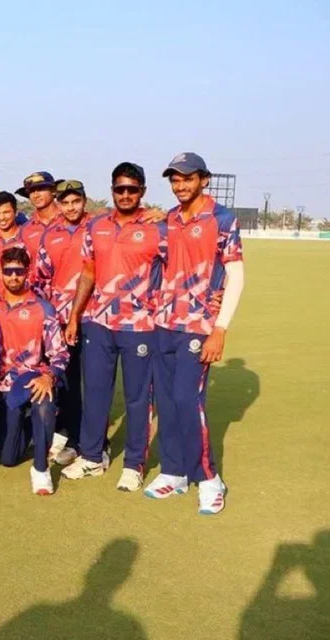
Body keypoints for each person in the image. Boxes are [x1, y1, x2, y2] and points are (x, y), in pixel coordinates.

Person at [148, 152, 244, 515]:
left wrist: (220, 329)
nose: (179, 185)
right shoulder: (169, 219)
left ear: (204, 179)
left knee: (189, 401)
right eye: (174, 179)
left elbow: (235, 274)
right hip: (164, 323)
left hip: (199, 326)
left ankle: (208, 478)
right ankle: (173, 472)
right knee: (168, 403)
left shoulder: (222, 218)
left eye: (187, 178)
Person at [62, 162, 167, 492]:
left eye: (132, 189)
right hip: (98, 323)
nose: (125, 194)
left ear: (142, 192)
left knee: (138, 399)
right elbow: (89, 272)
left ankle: (134, 464)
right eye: (120, 189)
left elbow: (179, 267)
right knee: (95, 394)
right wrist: (74, 315)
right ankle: (92, 457)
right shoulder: (96, 226)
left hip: (140, 325)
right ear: (112, 191)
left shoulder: (158, 228)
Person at [0, 247, 69, 496]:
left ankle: (40, 469)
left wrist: (48, 376)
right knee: (8, 458)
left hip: (32, 378)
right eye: (8, 271)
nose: (13, 277)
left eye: (18, 271)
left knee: (44, 401)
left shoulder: (43, 308)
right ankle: (33, 427)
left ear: (27, 272)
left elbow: (61, 353)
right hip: (0, 384)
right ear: (0, 272)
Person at [36, 180, 91, 466]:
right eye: (65, 202)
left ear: (84, 201)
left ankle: (93, 443)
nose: (71, 208)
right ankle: (69, 436)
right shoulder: (51, 234)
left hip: (92, 316)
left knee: (92, 382)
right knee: (67, 379)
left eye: (76, 202)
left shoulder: (96, 227)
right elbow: (42, 277)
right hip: (59, 318)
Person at [15, 171, 63, 279]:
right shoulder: (25, 230)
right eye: (31, 191)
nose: (36, 195)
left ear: (54, 191)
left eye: (41, 189)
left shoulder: (68, 220)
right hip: (38, 292)